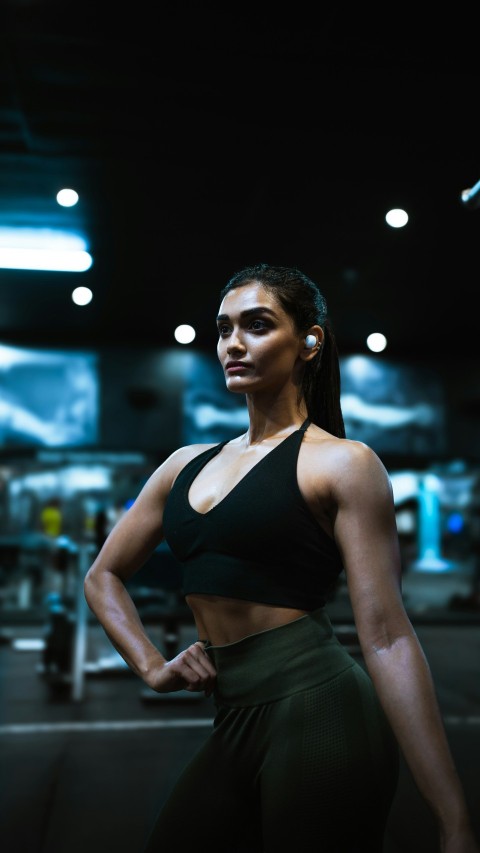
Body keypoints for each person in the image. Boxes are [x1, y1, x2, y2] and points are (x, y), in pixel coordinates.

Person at [84, 263, 479, 853]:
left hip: (320, 709)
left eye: (258, 325)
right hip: (233, 715)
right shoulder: (183, 464)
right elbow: (103, 576)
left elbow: (388, 636)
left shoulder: (344, 463)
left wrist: (453, 822)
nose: (233, 344)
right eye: (223, 329)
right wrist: (151, 665)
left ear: (308, 341)